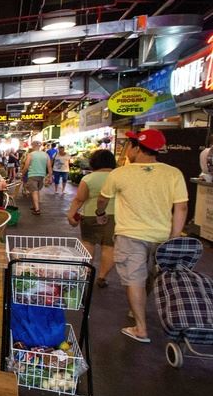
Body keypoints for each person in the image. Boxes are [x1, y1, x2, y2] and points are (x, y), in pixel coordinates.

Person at [95, 130, 188, 343]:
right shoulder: (173, 173)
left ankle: (140, 327)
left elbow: (102, 200)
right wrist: (174, 238)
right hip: (162, 236)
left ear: (137, 148)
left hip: (130, 234)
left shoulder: (120, 174)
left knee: (134, 278)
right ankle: (139, 311)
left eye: (129, 145)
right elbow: (181, 208)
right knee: (152, 277)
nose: (127, 150)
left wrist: (100, 214)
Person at [66, 149, 117, 289]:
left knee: (88, 243)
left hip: (90, 215)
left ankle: (87, 272)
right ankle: (102, 276)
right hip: (114, 216)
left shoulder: (88, 178)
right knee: (109, 247)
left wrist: (71, 214)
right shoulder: (118, 176)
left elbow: (79, 199)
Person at [21, 140, 52, 215]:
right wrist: (50, 176)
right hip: (42, 175)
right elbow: (49, 166)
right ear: (40, 146)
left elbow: (26, 166)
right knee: (37, 190)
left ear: (33, 146)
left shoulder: (30, 154)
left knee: (34, 191)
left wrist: (22, 173)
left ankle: (37, 209)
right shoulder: (46, 155)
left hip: (33, 175)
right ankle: (35, 206)